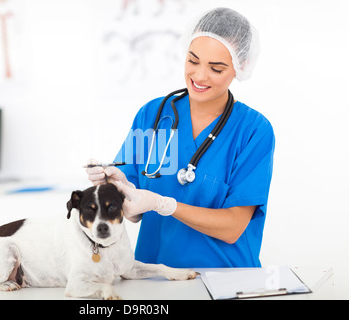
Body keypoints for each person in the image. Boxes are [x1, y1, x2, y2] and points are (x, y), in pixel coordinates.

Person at [86, 8, 275, 268]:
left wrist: (166, 205)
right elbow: (134, 213)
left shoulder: (253, 131)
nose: (199, 76)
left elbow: (233, 227)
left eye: (216, 68)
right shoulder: (153, 116)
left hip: (225, 279)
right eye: (193, 61)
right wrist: (117, 187)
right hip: (157, 276)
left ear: (240, 67)